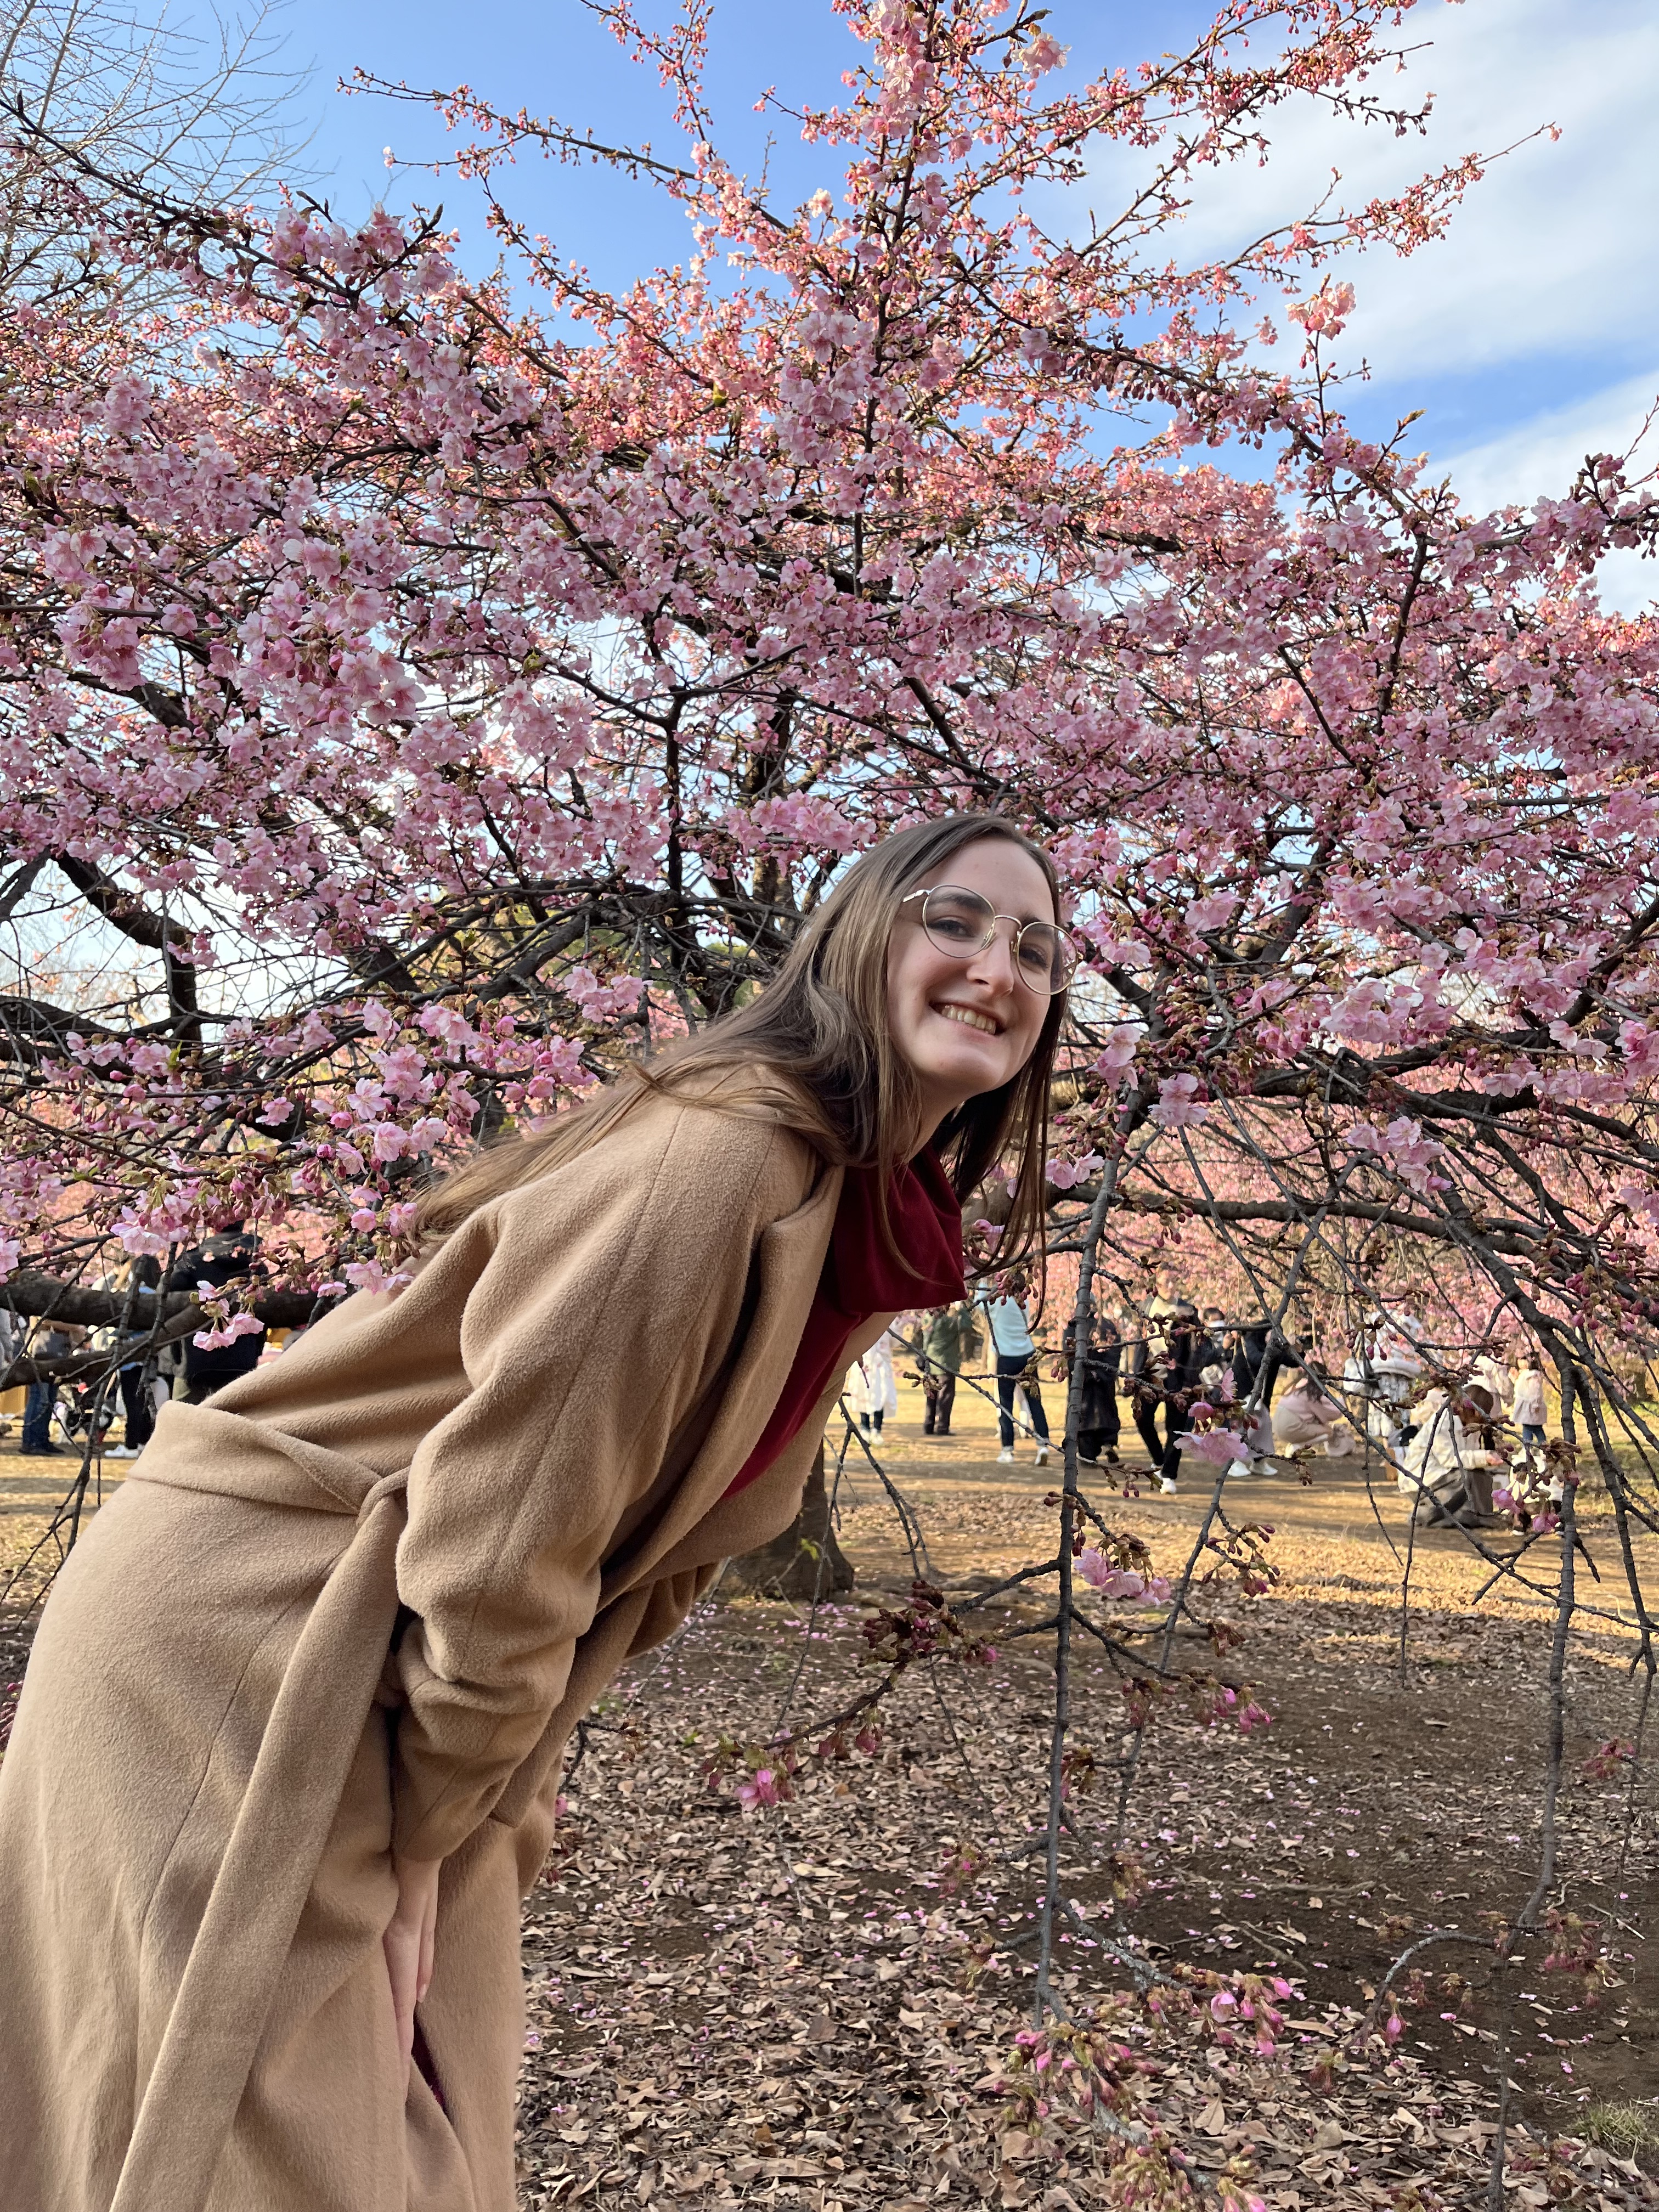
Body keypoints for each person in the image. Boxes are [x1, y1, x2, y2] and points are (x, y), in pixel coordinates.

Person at [0, 812, 1073, 2212]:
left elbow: (649, 1555)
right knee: (271, 2139)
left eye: (1040, 949)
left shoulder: (852, 1212)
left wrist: (473, 1820)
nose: (1000, 965)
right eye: (956, 920)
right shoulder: (722, 1162)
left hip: (397, 1658)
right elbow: (505, 1544)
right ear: (858, 937)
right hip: (254, 1645)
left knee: (421, 2102)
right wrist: (418, 1848)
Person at [165, 1224, 268, 1404]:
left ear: (213, 1227)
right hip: (243, 1359)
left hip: (193, 1360)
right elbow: (264, 1309)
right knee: (234, 1418)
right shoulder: (256, 1265)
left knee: (184, 1421)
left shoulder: (191, 1261)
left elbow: (165, 1299)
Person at [1396, 1384, 1502, 1526]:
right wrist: (1483, 1457)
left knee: (1481, 1475)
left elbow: (1471, 1458)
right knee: (1464, 1477)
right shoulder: (1443, 1423)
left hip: (1445, 1475)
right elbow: (1449, 1459)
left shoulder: (1473, 1426)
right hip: (1423, 1478)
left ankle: (1481, 1516)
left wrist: (1486, 1458)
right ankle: (1423, 1516)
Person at [980, 1276, 1051, 1466]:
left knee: (1005, 1405)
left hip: (1006, 1357)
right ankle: (1043, 1444)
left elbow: (980, 1304)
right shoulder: (1024, 1301)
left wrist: (981, 1280)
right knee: (1035, 1402)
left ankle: (1007, 1450)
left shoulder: (998, 1305)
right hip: (1027, 1355)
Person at [1060, 1306, 1121, 1465]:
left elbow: (1070, 1356)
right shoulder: (1107, 1326)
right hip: (1102, 1383)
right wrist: (1102, 1373)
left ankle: (1090, 1455)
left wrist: (1085, 1374)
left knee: (1083, 1423)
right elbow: (1114, 1356)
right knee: (1105, 1418)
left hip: (1082, 1386)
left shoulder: (1072, 1329)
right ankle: (1108, 1444)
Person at [919, 1298, 980, 1436]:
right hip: (946, 1364)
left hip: (930, 1363)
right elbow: (966, 1323)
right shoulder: (949, 1323)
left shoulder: (927, 1320)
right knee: (946, 1397)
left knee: (931, 1396)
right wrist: (963, 1306)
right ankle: (942, 1427)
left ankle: (928, 1425)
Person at [19, 1323, 75, 1457]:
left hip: (55, 1352)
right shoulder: (43, 1306)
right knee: (39, 1398)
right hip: (41, 1354)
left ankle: (42, 1439)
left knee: (49, 1399)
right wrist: (72, 1327)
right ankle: (31, 1441)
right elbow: (43, 1321)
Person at [846, 1324, 899, 1436]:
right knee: (864, 1394)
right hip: (864, 1366)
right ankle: (865, 1427)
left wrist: (900, 1326)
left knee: (882, 1395)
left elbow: (895, 1342)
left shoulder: (889, 1323)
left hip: (881, 1367)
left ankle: (877, 1428)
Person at [1511, 1356, 1548, 1450]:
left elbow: (1536, 1391)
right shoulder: (1525, 1374)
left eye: (1524, 1361)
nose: (1521, 1363)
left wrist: (1536, 1404)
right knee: (1533, 1428)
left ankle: (1528, 1448)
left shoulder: (1533, 1376)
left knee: (1530, 1428)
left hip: (1531, 1406)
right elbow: (1521, 1388)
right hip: (1526, 1406)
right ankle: (1539, 1447)